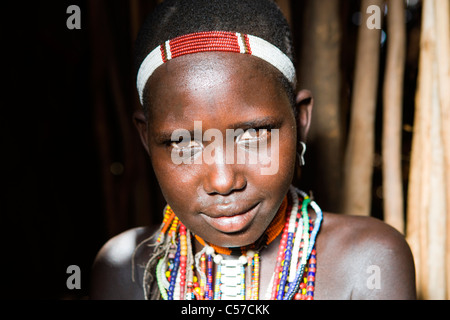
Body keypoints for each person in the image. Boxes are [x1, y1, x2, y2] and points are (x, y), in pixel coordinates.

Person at [90, 0, 416, 300]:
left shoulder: (368, 262)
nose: (223, 181)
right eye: (183, 143)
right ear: (146, 138)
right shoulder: (123, 271)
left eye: (253, 134)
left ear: (300, 120)